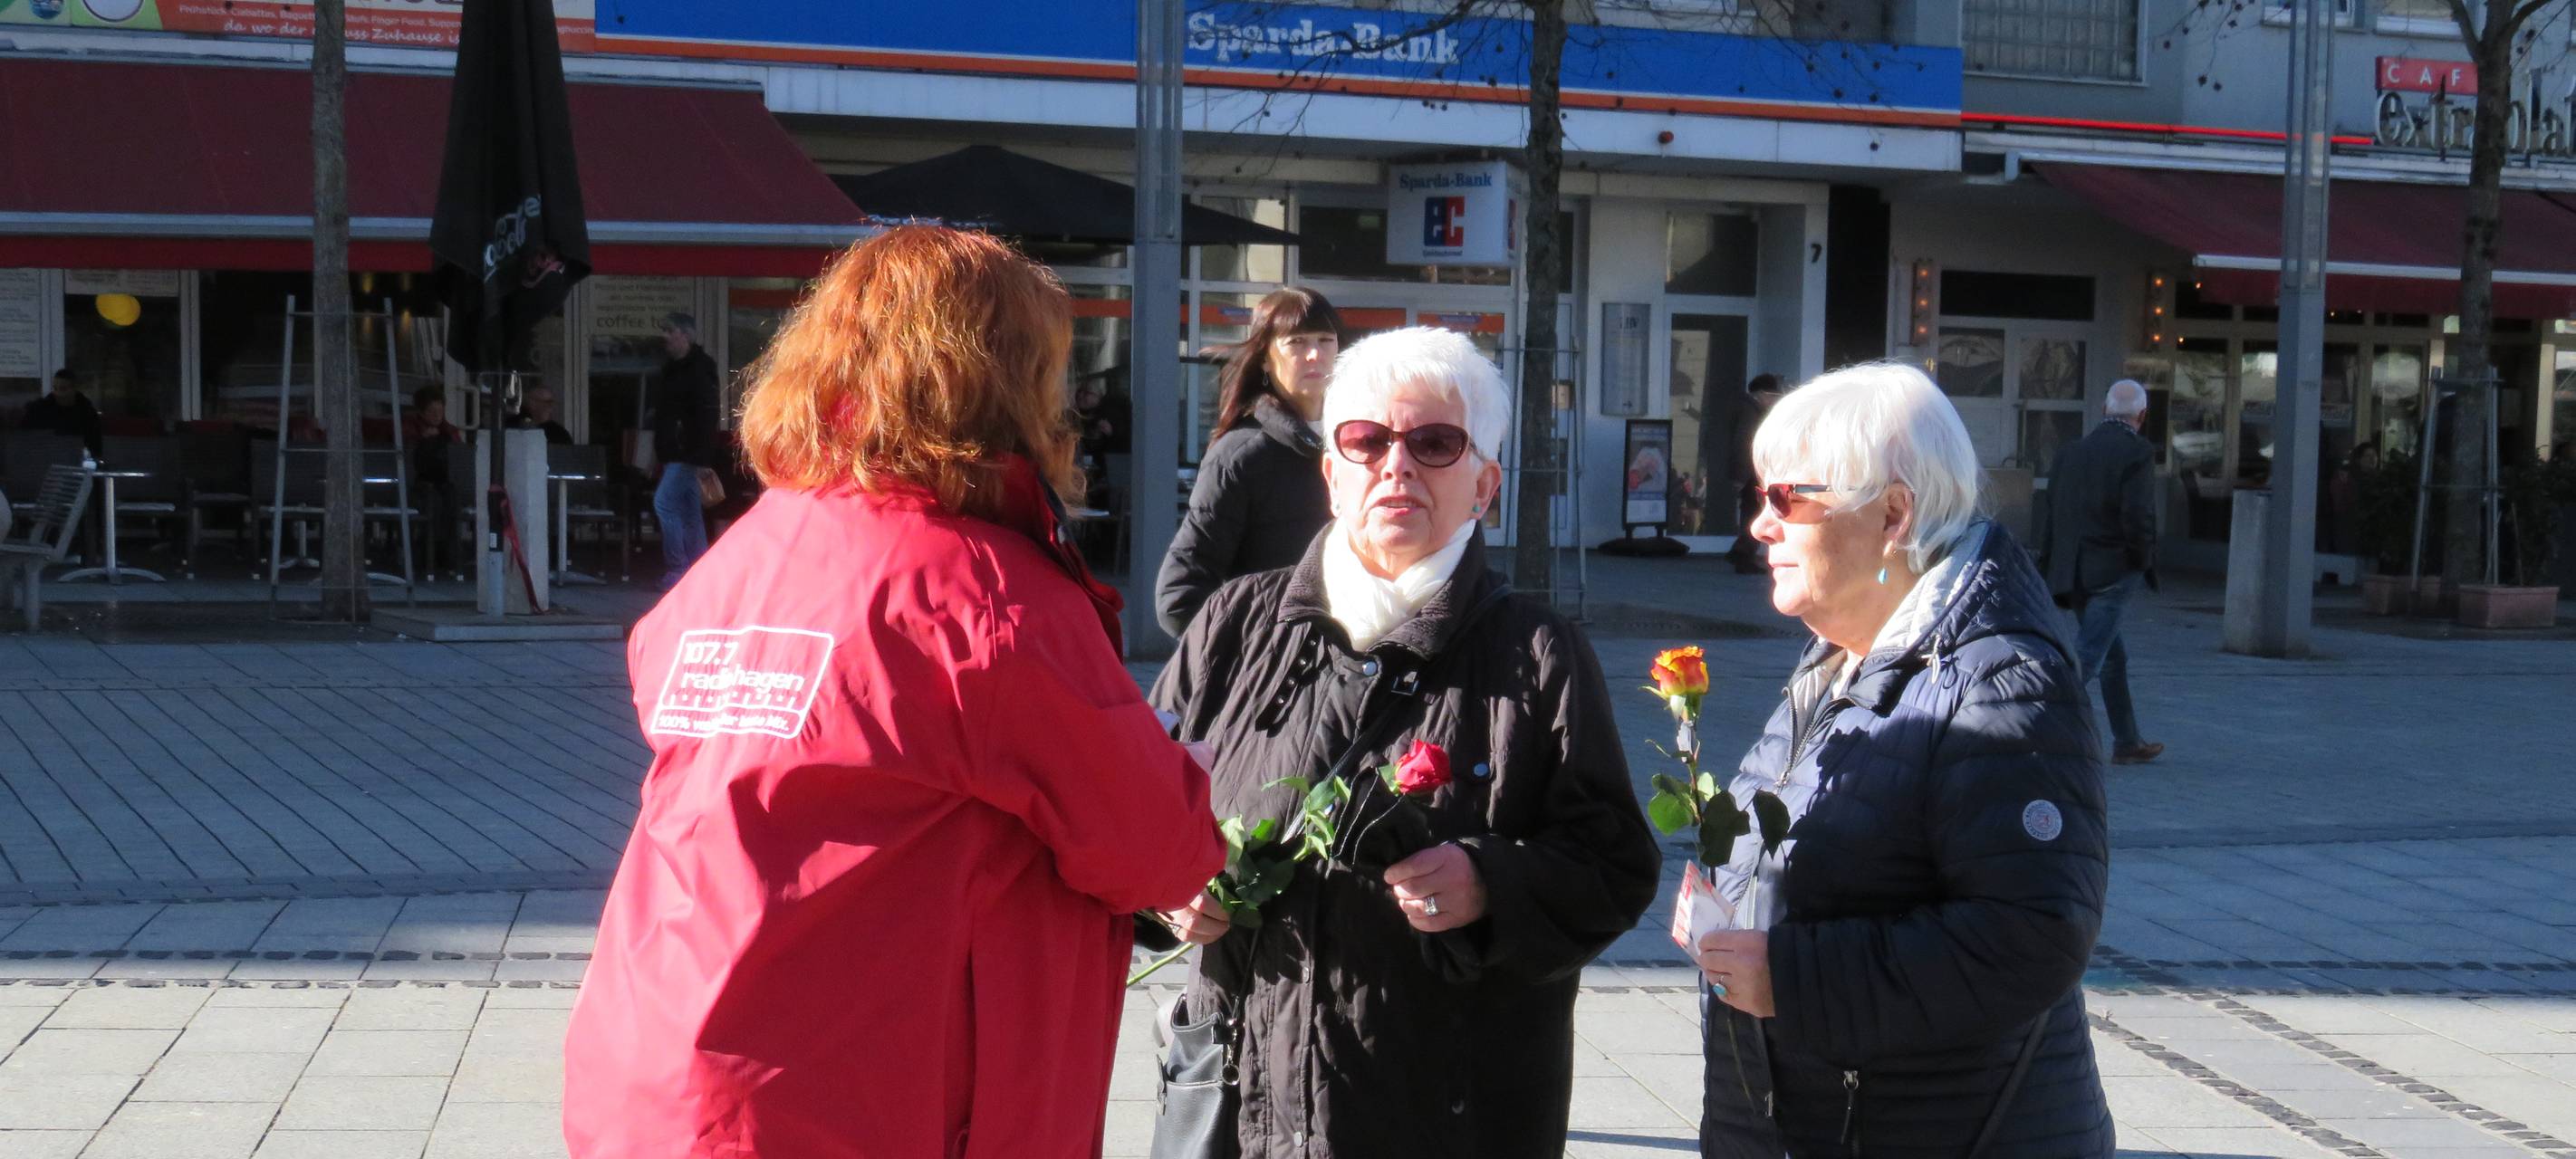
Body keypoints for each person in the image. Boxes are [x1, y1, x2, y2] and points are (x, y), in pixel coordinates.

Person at [562, 227, 1226, 1158]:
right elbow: (1157, 849)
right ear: (1001, 382)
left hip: (664, 1063)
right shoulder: (984, 598)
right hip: (857, 1100)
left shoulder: (748, 555)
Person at [1150, 326, 1662, 1158]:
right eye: (1366, 440)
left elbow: (1613, 867)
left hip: (1445, 1112)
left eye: (1435, 443)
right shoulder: (1235, 623)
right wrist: (1169, 889)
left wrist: (1489, 881)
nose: (1398, 466)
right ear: (1330, 473)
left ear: (1485, 484)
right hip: (1245, 1106)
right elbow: (1137, 811)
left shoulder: (1536, 652)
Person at [1696, 361, 2114, 1159]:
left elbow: (2030, 933)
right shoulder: (1847, 655)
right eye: (1760, 496)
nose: (1760, 525)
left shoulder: (2000, 680)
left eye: (1788, 497)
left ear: (1892, 514)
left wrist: (1793, 976)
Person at [1153, 286, 1341, 637]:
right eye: (1297, 342)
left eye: (1325, 340)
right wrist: (1257, 658)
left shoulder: (1363, 447)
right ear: (1266, 358)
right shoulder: (1242, 455)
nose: (1315, 354)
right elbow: (1179, 598)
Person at [2039, 378, 2165, 766]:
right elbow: (2138, 514)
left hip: (2073, 571)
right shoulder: (2137, 452)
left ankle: (2127, 740)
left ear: (2104, 410)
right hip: (2112, 569)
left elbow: (2052, 510)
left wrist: (2051, 563)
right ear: (2141, 416)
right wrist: (2141, 559)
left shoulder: (2071, 452)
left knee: (2111, 656)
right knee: (2089, 657)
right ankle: (2036, 731)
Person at [650, 311, 725, 589]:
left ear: (686, 335)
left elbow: (707, 413)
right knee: (689, 510)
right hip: (677, 451)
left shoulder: (699, 369)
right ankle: (698, 569)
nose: (665, 336)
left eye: (670, 331)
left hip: (687, 452)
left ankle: (678, 569)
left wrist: (703, 454)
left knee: (665, 503)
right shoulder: (673, 369)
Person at [1724, 374, 1783, 574]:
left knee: (1752, 513)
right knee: (1754, 514)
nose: (1774, 400)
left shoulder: (1747, 408)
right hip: (1751, 474)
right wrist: (1740, 476)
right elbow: (1744, 444)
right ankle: (1743, 554)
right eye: (1772, 395)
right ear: (1760, 394)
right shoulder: (1751, 411)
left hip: (1750, 472)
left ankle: (1741, 551)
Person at [407, 387, 466, 579]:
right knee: (434, 503)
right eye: (432, 412)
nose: (436, 416)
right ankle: (428, 554)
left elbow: (458, 458)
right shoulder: (410, 431)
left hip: (445, 484)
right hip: (418, 486)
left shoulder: (449, 432)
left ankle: (450, 555)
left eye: (440, 412)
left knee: (450, 501)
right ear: (421, 412)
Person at [24, 369, 102, 457]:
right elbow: (28, 438)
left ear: (74, 389)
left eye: (63, 389)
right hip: (47, 460)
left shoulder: (86, 412)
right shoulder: (40, 409)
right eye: (55, 388)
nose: (58, 393)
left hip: (76, 460)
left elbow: (95, 444)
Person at [509, 386, 574, 445]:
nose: (550, 407)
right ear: (532, 403)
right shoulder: (513, 424)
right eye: (547, 402)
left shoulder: (559, 433)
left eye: (551, 403)